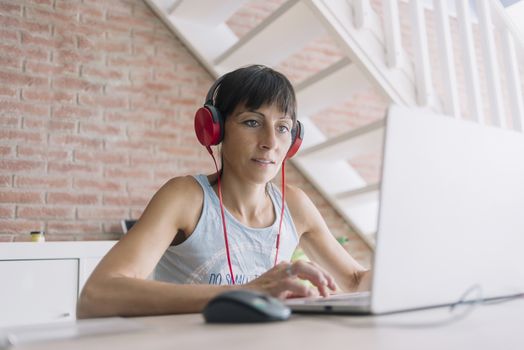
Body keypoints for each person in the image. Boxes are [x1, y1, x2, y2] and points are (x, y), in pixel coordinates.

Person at [77, 65, 370, 318]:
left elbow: (356, 281)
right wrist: (246, 291)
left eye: (282, 127)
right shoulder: (185, 197)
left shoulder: (295, 205)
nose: (270, 141)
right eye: (252, 122)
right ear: (214, 130)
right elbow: (97, 295)